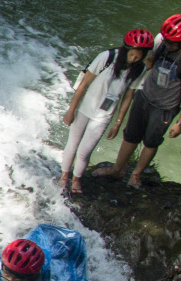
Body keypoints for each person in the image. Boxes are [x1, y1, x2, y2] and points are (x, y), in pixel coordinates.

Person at [104, 13, 181, 188]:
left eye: (171, 42)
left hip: (166, 107)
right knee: (130, 135)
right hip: (145, 95)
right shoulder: (161, 40)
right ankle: (117, 169)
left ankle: (136, 175)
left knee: (151, 141)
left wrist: (180, 123)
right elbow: (150, 61)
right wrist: (127, 76)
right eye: (166, 40)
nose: (166, 44)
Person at [59, 29, 151, 195]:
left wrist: (118, 122)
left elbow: (128, 96)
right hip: (85, 108)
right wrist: (71, 110)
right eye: (132, 55)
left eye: (138, 57)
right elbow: (84, 84)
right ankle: (65, 176)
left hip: (104, 115)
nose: (133, 59)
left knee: (84, 151)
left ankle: (77, 178)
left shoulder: (140, 69)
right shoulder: (107, 57)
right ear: (126, 49)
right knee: (72, 144)